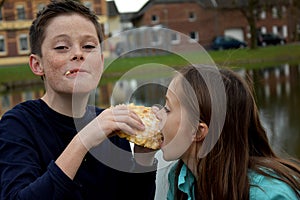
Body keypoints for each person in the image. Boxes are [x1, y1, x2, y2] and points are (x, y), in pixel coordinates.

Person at [0, 0, 157, 199]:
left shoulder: (113, 126)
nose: (78, 54)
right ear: (37, 64)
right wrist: (83, 141)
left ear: (100, 62)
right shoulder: (17, 125)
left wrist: (145, 156)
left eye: (89, 46)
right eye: (62, 47)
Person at [155, 65, 300, 200]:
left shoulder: (269, 195)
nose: (157, 114)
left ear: (198, 131)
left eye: (167, 109)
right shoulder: (182, 180)